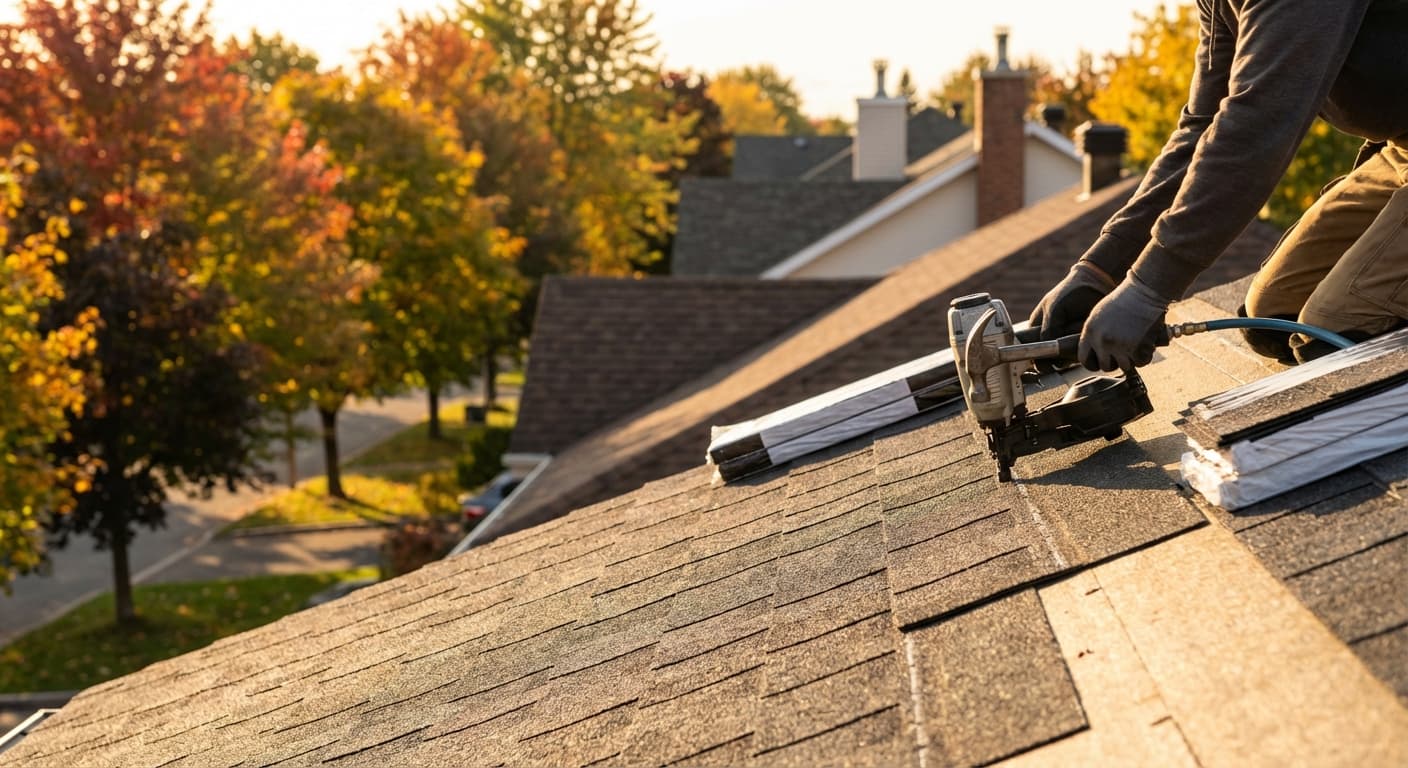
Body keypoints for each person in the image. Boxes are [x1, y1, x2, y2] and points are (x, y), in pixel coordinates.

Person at [1031, 0, 1408, 371]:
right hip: (1400, 152)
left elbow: (1257, 125)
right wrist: (1099, 268)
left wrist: (1148, 289)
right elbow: (1203, 126)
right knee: (1273, 317)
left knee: (1335, 338)